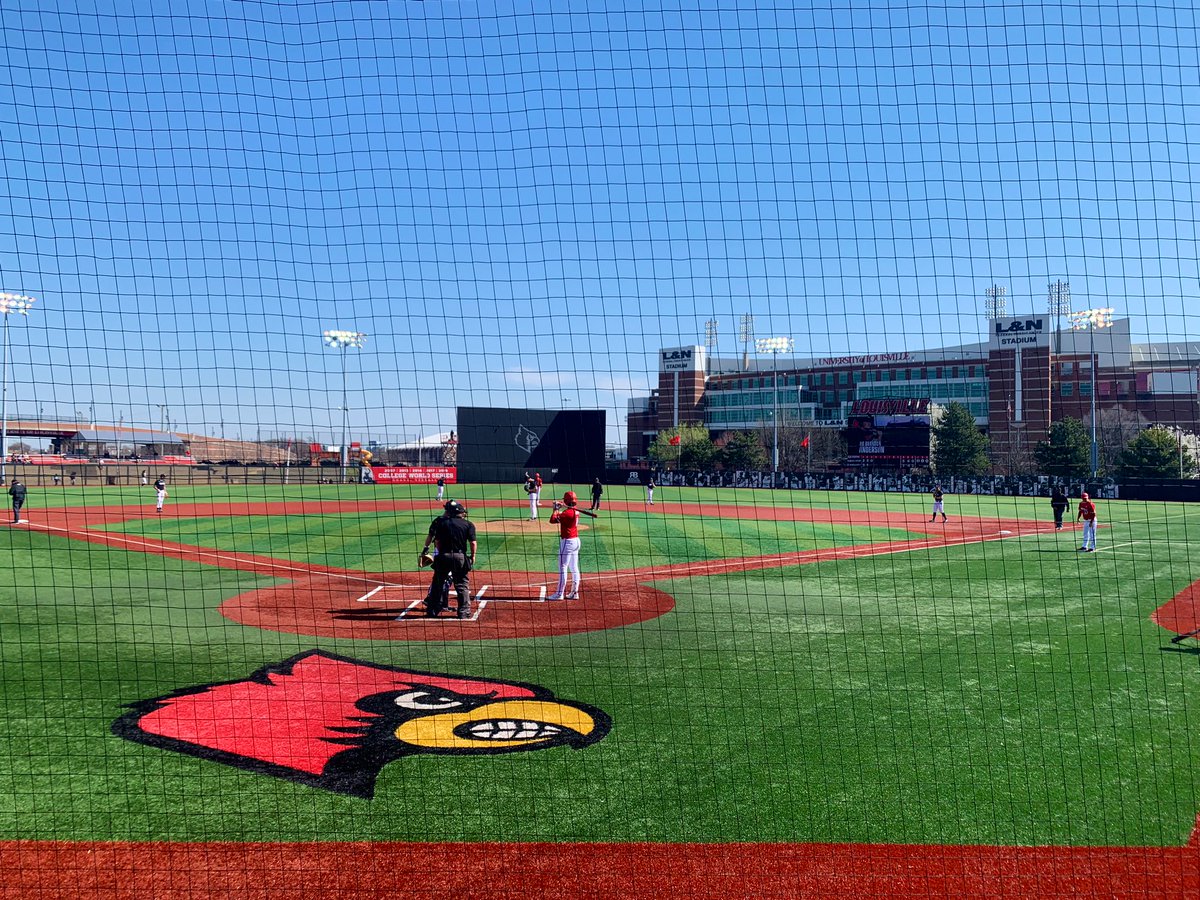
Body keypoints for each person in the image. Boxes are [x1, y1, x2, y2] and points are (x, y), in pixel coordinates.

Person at [419, 500, 476, 618]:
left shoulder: (440, 522)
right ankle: (463, 612)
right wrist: (472, 556)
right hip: (459, 556)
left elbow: (436, 539)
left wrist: (431, 551)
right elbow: (473, 543)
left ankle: (433, 609)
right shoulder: (467, 524)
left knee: (438, 583)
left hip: (442, 555)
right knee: (461, 584)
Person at [547, 491, 598, 600]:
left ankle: (559, 594)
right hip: (576, 541)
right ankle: (574, 593)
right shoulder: (575, 512)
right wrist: (560, 507)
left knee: (563, 567)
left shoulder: (567, 513)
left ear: (566, 501)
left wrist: (556, 508)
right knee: (574, 567)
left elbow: (552, 520)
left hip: (568, 542)